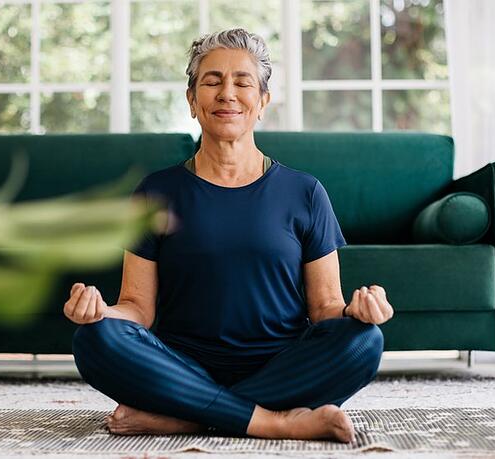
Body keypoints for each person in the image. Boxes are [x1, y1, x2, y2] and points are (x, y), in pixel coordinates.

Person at [65, 28, 393, 443]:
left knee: (365, 340)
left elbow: (326, 307)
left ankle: (188, 417)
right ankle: (274, 422)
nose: (227, 94)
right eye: (212, 81)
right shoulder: (156, 192)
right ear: (191, 100)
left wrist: (357, 312)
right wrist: (99, 314)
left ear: (263, 102)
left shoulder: (305, 192)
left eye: (242, 82)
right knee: (94, 339)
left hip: (281, 366)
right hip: (180, 366)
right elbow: (137, 309)